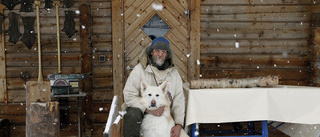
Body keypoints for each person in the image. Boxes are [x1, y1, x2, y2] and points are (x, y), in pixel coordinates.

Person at [122, 37, 186, 137]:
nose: (160, 54)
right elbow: (129, 95)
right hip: (141, 111)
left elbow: (179, 100)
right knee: (132, 114)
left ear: (167, 55)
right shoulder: (139, 70)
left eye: (163, 51)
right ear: (151, 52)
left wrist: (178, 124)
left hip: (164, 114)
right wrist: (149, 109)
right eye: (157, 51)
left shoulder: (174, 74)